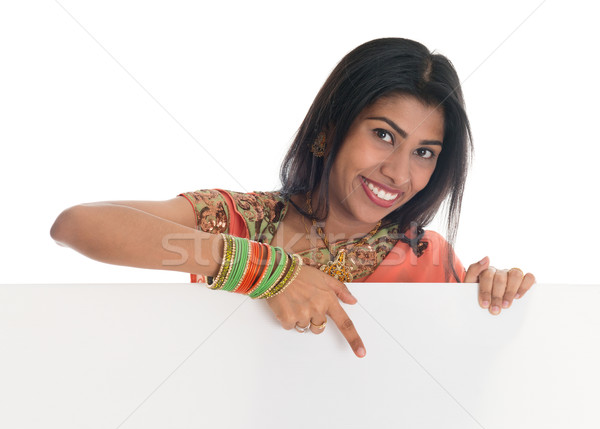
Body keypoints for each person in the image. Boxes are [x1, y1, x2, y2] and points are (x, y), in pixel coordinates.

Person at [50, 37, 535, 359]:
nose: (399, 172)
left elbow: (450, 401)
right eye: (385, 136)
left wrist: (487, 306)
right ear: (331, 129)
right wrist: (266, 271)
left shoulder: (431, 261)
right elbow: (77, 225)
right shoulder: (243, 221)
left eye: (425, 152)